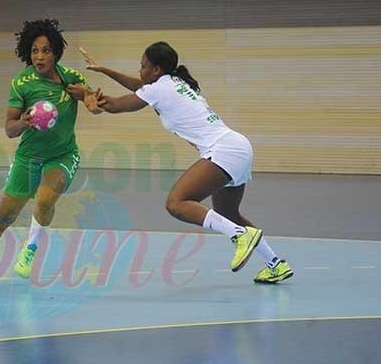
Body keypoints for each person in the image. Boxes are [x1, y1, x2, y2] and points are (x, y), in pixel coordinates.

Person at [80, 42, 293, 283]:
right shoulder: (174, 82)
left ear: (157, 70)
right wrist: (104, 70)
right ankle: (275, 263)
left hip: (223, 150)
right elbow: (139, 86)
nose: (140, 71)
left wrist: (84, 95)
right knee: (228, 213)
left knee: (176, 202)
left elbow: (116, 105)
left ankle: (238, 236)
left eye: (143, 66)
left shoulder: (158, 88)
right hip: (238, 147)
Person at [0, 19, 89, 279]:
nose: (39, 56)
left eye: (45, 50)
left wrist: (88, 97)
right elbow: (9, 129)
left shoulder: (72, 79)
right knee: (2, 219)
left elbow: (94, 104)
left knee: (45, 199)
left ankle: (30, 248)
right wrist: (23, 122)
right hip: (28, 157)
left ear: (55, 52)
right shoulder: (22, 83)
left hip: (63, 154)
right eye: (34, 50)